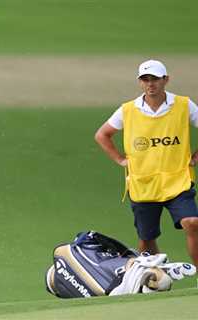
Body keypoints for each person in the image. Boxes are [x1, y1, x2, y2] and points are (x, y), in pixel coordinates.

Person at [94, 59, 198, 267]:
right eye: (145, 79)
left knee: (192, 222)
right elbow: (102, 135)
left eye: (155, 79)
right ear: (140, 82)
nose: (151, 84)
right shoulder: (127, 110)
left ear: (165, 80)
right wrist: (120, 159)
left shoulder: (183, 105)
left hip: (177, 181)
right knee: (146, 239)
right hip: (143, 185)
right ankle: (154, 279)